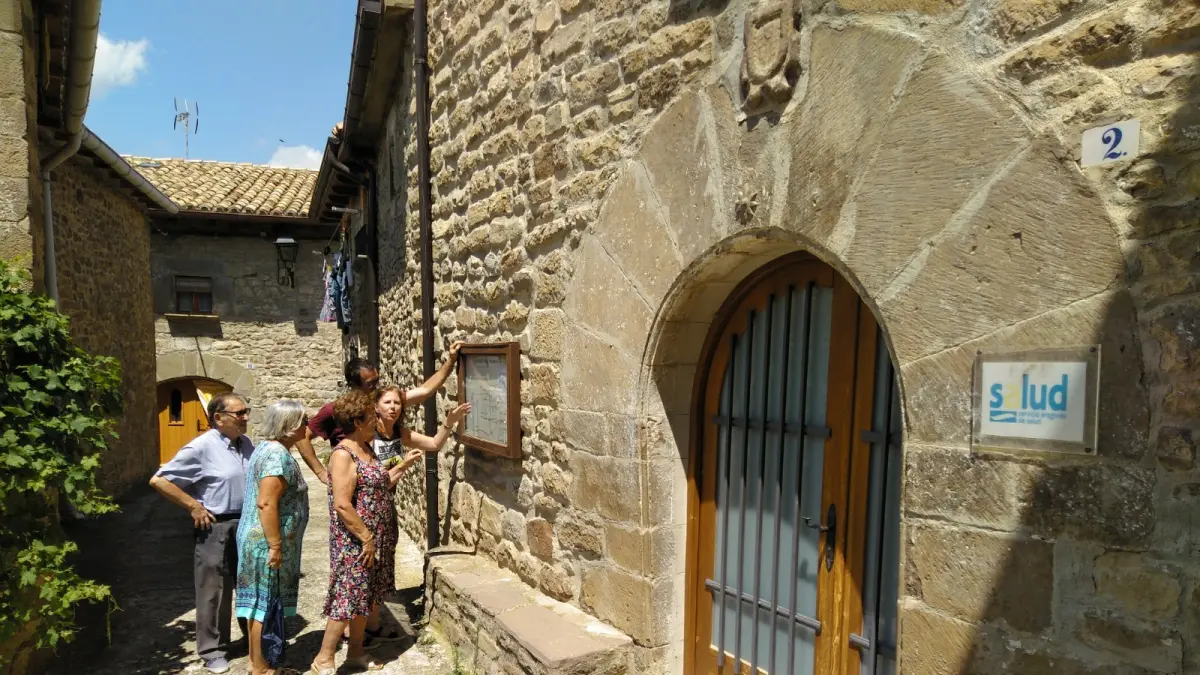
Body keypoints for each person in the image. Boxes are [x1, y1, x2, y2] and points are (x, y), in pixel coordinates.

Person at [309, 390, 470, 674]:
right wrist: (366, 538)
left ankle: (356, 654)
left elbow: (380, 481)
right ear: (357, 422)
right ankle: (324, 657)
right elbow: (343, 504)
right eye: (372, 417)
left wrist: (403, 465)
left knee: (367, 595)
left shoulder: (366, 448)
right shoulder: (343, 454)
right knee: (348, 596)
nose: (377, 421)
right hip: (355, 539)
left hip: (375, 534)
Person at [149, 393, 255, 674]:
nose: (245, 417)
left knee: (246, 586)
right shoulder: (201, 447)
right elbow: (160, 480)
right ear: (218, 418)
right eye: (239, 413)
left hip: (245, 524)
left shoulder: (245, 444)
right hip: (215, 526)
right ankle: (212, 650)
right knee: (213, 590)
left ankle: (250, 640)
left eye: (246, 411)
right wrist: (193, 506)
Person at [363, 385, 471, 642]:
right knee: (368, 567)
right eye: (387, 402)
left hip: (385, 504)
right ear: (375, 406)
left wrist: (449, 422)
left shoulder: (398, 432)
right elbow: (372, 482)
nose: (393, 407)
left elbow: (433, 444)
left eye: (397, 403)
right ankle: (357, 628)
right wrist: (403, 464)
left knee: (382, 564)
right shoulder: (367, 435)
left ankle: (372, 625)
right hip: (367, 507)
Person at [298, 344, 464, 475]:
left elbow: (425, 391)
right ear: (354, 385)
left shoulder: (382, 401)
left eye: (376, 380)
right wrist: (320, 472)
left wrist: (450, 361)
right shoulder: (336, 410)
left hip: (381, 490)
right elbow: (302, 436)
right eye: (370, 383)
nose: (375, 386)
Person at [235, 401, 311, 675]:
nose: (308, 427)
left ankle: (258, 662)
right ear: (289, 426)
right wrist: (275, 546)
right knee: (262, 604)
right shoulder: (276, 456)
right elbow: (266, 503)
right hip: (264, 543)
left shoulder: (266, 448)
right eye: (303, 421)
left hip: (259, 540)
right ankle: (261, 668)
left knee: (258, 602)